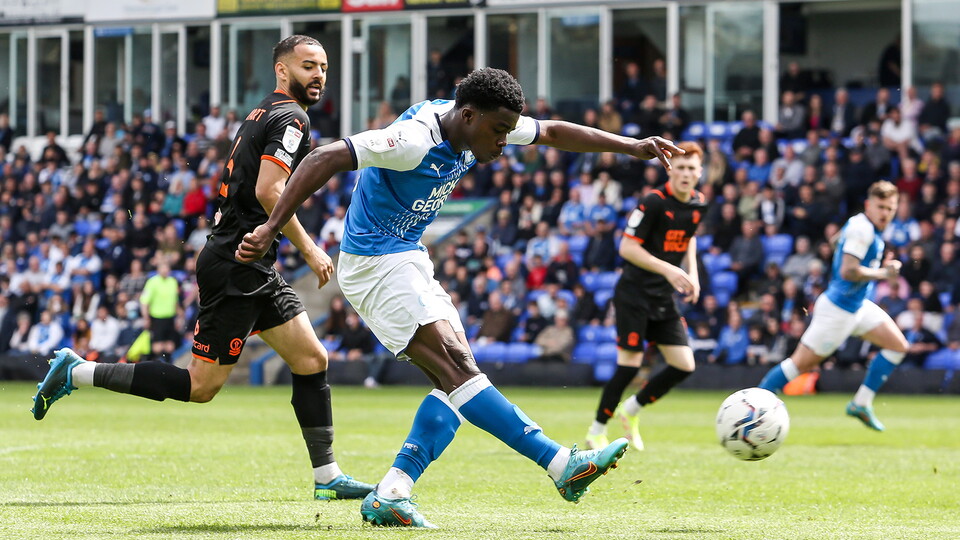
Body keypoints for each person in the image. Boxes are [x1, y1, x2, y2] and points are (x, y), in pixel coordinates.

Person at [237, 67, 682, 528]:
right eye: (499, 131)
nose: (504, 142)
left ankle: (393, 491)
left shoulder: (480, 121)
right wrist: (271, 227)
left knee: (457, 383)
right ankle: (560, 464)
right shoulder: (413, 139)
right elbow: (324, 156)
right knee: (459, 369)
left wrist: (632, 146)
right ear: (468, 115)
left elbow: (551, 132)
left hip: (407, 256)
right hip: (374, 263)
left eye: (508, 131)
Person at [31, 35, 373, 502]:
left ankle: (327, 477)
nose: (318, 75)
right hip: (239, 265)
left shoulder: (261, 113)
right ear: (282, 70)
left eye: (323, 67)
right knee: (200, 385)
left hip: (249, 263)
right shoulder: (293, 117)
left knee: (312, 359)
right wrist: (312, 249)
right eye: (308, 66)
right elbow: (269, 190)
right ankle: (77, 371)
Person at [584, 141, 706, 451]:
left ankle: (632, 409)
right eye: (680, 167)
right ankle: (597, 430)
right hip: (634, 295)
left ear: (699, 173)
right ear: (670, 170)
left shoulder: (698, 203)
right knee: (630, 365)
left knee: (684, 365)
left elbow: (689, 238)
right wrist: (669, 269)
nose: (685, 173)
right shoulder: (652, 202)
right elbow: (626, 248)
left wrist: (692, 273)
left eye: (691, 168)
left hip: (662, 298)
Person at [758, 181, 909, 431]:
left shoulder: (859, 223)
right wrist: (884, 273)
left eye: (890, 209)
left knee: (898, 346)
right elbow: (848, 270)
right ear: (868, 205)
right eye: (881, 207)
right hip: (838, 311)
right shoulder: (863, 230)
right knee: (799, 365)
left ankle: (861, 404)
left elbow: (834, 241)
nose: (885, 213)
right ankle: (755, 403)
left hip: (857, 306)